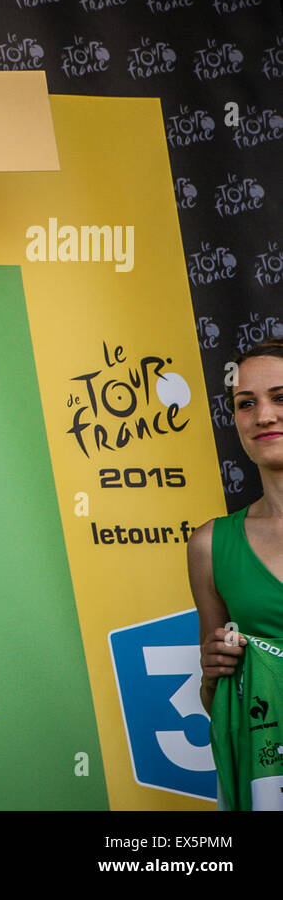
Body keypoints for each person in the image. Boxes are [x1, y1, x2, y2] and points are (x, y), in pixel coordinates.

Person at [187, 340, 283, 809]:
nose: (264, 415)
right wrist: (213, 675)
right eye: (247, 404)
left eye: (280, 397)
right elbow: (219, 700)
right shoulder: (210, 545)